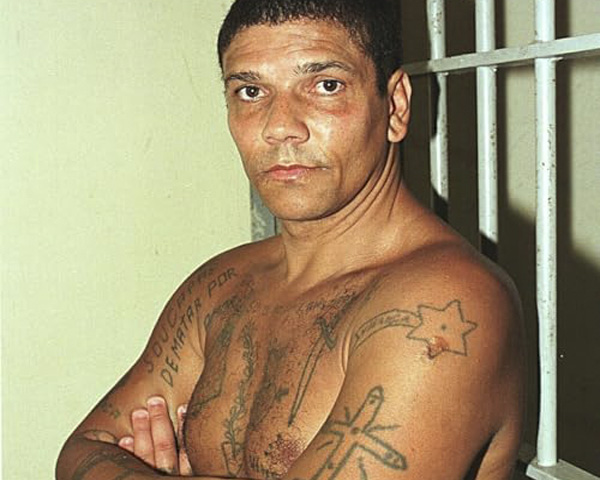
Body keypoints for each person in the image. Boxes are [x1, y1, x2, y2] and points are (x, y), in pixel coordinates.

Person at [56, 0, 526, 479]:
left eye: (326, 85)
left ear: (395, 106)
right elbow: (81, 451)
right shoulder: (220, 284)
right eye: (251, 91)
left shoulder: (449, 302)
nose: (280, 126)